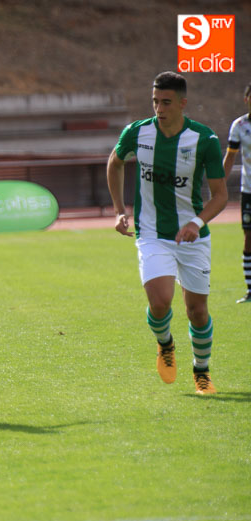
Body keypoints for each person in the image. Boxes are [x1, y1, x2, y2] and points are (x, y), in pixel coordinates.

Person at [106, 71, 227, 395]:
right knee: (160, 302)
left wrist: (196, 223)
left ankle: (201, 371)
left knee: (197, 312)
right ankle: (165, 344)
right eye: (155, 101)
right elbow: (115, 162)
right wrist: (119, 210)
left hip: (193, 237)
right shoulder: (138, 132)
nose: (159, 108)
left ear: (183, 103)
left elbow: (220, 196)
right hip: (152, 233)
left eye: (166, 102)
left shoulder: (204, 139)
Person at [222, 82, 251, 304]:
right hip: (248, 190)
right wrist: (219, 183)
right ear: (246, 99)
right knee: (248, 238)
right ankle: (250, 289)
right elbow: (231, 156)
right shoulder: (239, 125)